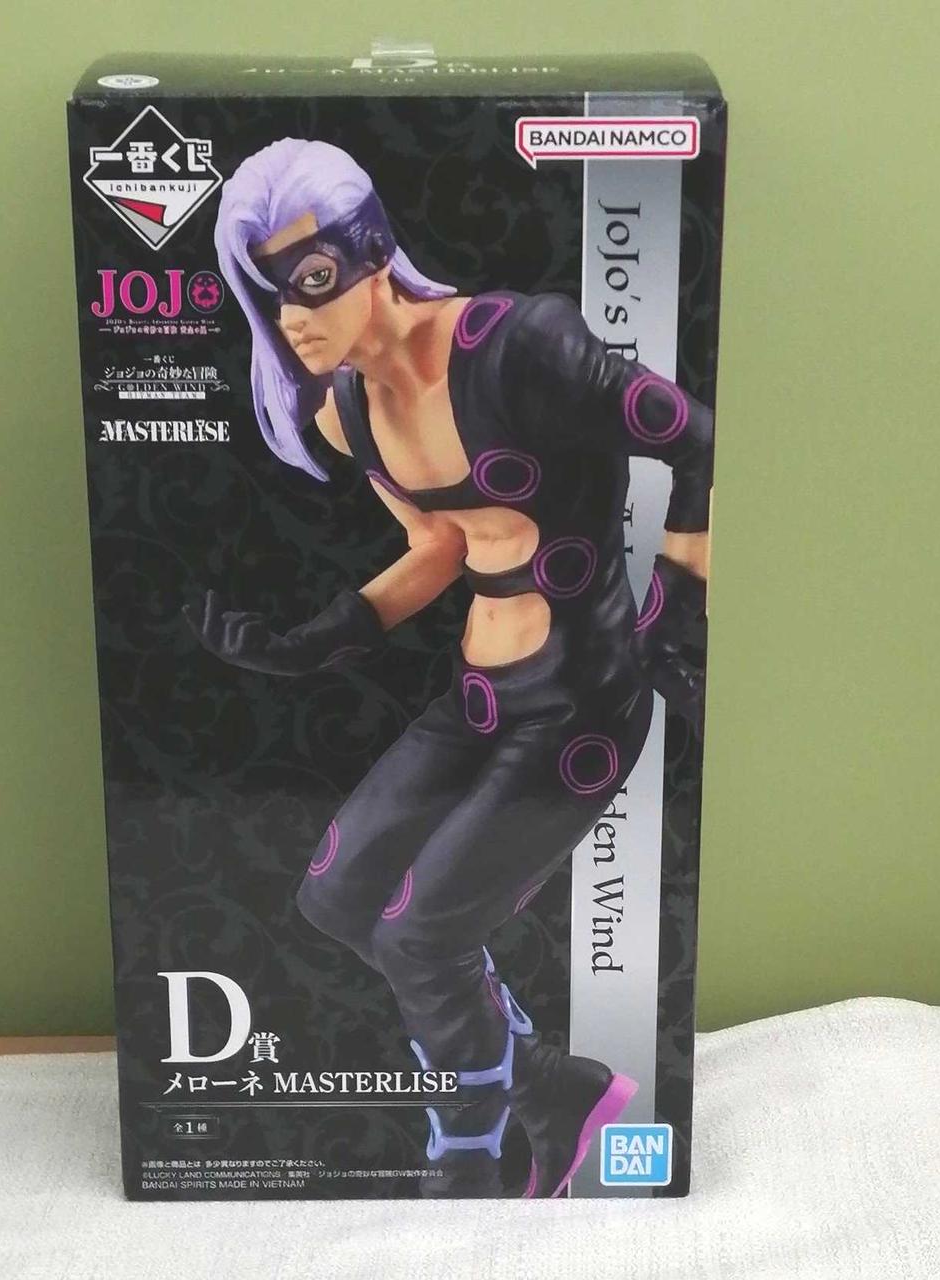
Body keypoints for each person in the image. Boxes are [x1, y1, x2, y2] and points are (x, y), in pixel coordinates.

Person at [186, 138, 712, 1197]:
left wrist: (678, 605)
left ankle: (466, 1150)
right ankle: (551, 1088)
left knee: (419, 939)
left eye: (311, 277)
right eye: (269, 295)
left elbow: (696, 438)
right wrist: (318, 637)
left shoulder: (521, 346)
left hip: (580, 703)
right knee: (339, 899)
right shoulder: (347, 411)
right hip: (478, 696)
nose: (293, 316)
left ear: (372, 247)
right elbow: (438, 544)